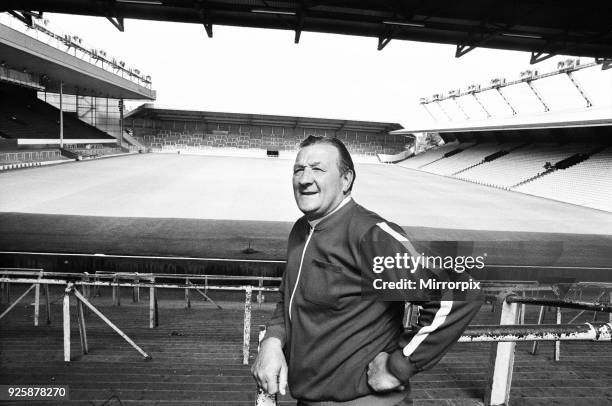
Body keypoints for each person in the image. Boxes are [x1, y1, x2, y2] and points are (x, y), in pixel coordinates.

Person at [252, 136, 481, 405]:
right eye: (298, 170)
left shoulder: (369, 235)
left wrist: (399, 366)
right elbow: (288, 298)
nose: (304, 178)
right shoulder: (301, 230)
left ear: (346, 180)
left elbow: (460, 289)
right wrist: (273, 340)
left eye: (318, 169)